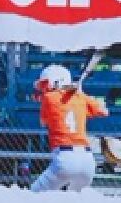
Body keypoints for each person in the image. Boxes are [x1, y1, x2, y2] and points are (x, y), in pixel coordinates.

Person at [28, 63, 105, 193]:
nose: (44, 88)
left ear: (56, 82)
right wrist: (81, 94)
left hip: (65, 158)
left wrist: (74, 94)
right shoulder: (80, 98)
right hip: (87, 161)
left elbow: (43, 121)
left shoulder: (49, 97)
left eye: (46, 84)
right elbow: (103, 111)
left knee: (34, 195)